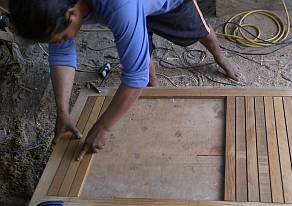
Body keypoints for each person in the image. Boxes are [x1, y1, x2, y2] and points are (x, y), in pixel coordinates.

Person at [9, 0, 239, 160]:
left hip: (168, 2)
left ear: (71, 14)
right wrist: (62, 111)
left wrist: (103, 127)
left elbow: (134, 76)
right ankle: (154, 89)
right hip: (133, 9)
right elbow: (60, 53)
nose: (59, 41)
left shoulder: (118, 6)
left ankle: (220, 57)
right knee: (141, 52)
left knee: (199, 29)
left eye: (60, 37)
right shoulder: (54, 9)